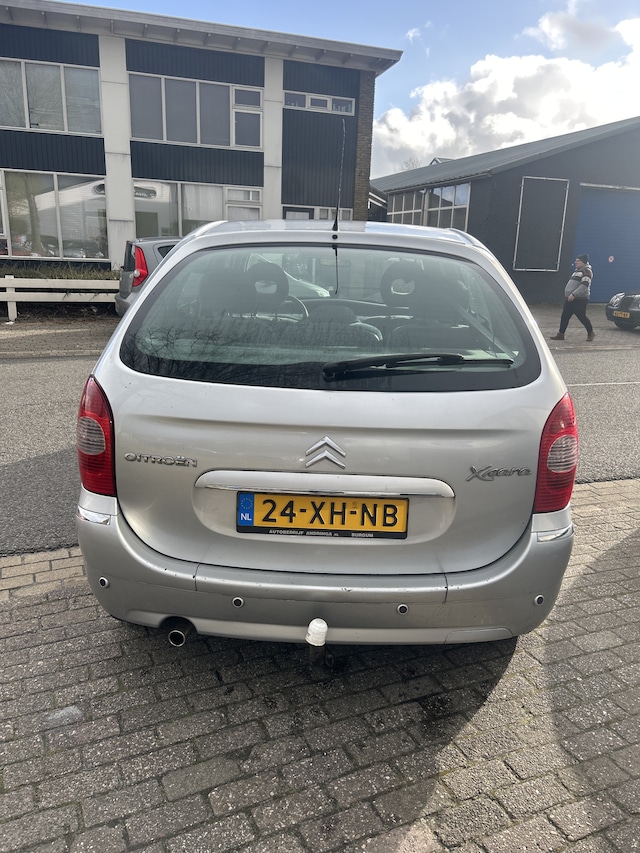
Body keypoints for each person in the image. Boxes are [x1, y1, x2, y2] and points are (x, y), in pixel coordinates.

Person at [551, 254, 595, 341]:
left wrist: (574, 294)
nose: (576, 262)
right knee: (565, 316)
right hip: (570, 298)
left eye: (578, 261)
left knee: (581, 317)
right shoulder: (577, 271)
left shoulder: (586, 271)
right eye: (576, 260)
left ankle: (590, 332)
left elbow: (584, 285)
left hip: (580, 299)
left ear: (583, 262)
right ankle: (561, 334)